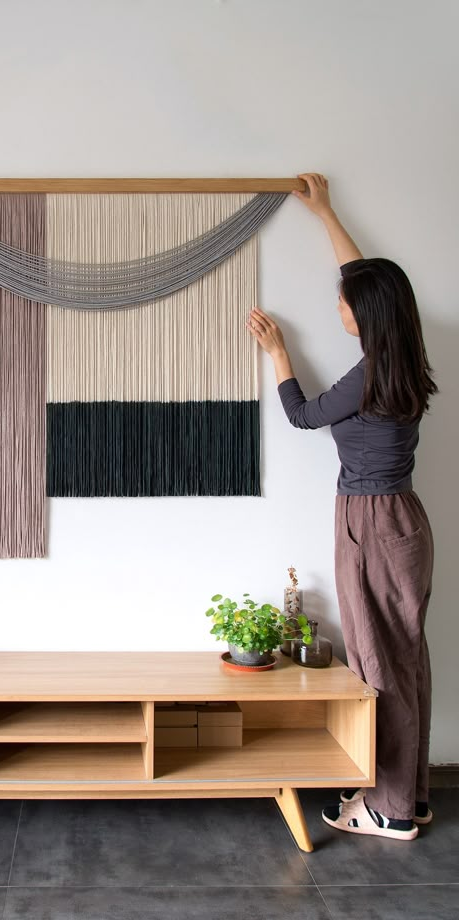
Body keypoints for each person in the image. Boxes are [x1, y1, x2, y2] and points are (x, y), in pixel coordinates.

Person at [247, 173, 437, 841]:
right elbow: (361, 274)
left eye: (343, 304)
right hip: (403, 521)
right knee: (404, 657)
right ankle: (404, 792)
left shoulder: (366, 378)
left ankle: (386, 809)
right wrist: (325, 211)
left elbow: (300, 415)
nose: (338, 308)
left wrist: (278, 353)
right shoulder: (402, 352)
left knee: (377, 663)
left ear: (367, 314)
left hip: (370, 522)